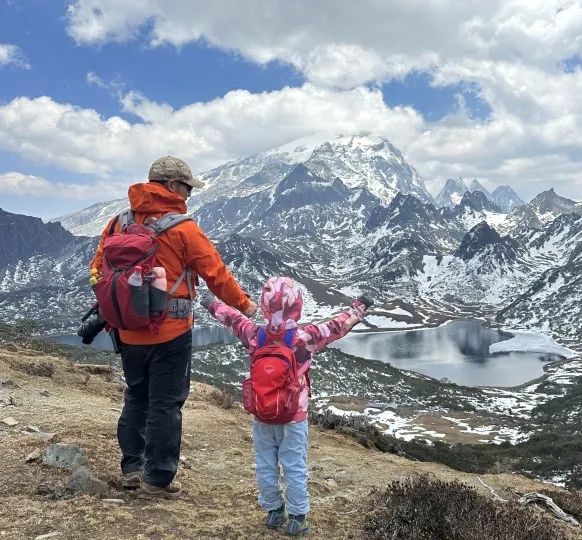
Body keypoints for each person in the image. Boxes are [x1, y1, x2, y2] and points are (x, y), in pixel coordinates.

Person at [90, 156, 257, 498]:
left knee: (136, 396)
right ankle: (157, 480)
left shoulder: (116, 224)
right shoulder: (183, 228)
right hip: (171, 332)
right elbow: (216, 274)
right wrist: (245, 305)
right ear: (170, 186)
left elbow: (97, 272)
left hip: (127, 332)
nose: (189, 194)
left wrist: (120, 309)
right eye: (186, 187)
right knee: (165, 404)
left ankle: (132, 468)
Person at [200, 277, 371, 537]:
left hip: (262, 414)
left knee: (265, 463)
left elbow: (232, 318)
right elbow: (338, 326)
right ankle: (297, 518)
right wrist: (359, 307)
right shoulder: (304, 337)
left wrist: (211, 304)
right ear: (298, 305)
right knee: (294, 465)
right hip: (293, 416)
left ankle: (273, 512)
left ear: (266, 307)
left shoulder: (255, 333)